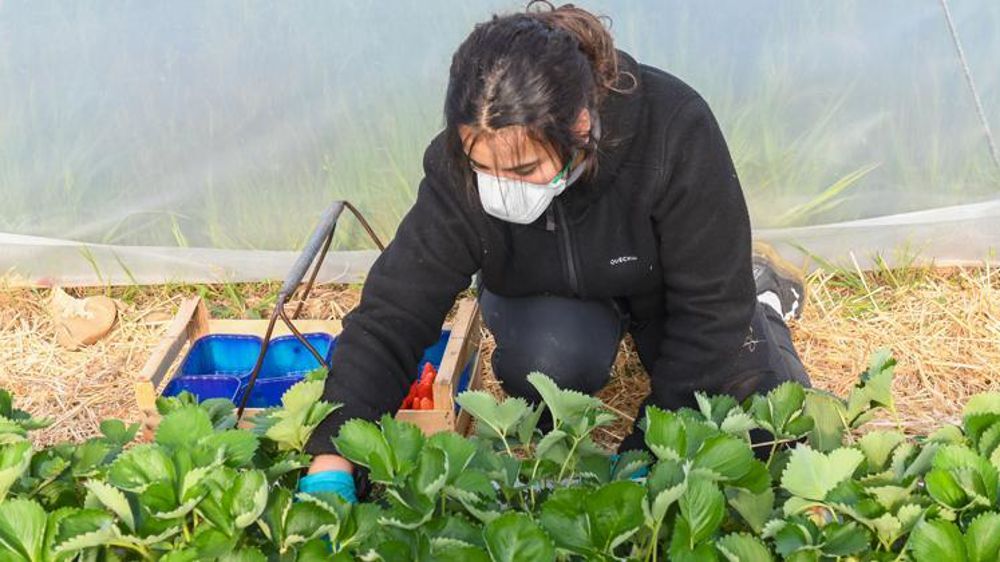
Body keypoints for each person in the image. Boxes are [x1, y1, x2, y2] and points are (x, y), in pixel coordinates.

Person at [298, 2, 811, 502]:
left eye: (523, 172)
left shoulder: (674, 128)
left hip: (658, 285)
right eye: (483, 167)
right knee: (546, 372)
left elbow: (710, 316)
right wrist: (333, 454)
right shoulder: (457, 168)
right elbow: (395, 310)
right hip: (541, 290)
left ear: (581, 128)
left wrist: (645, 454)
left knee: (765, 427)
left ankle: (762, 297)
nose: (500, 186)